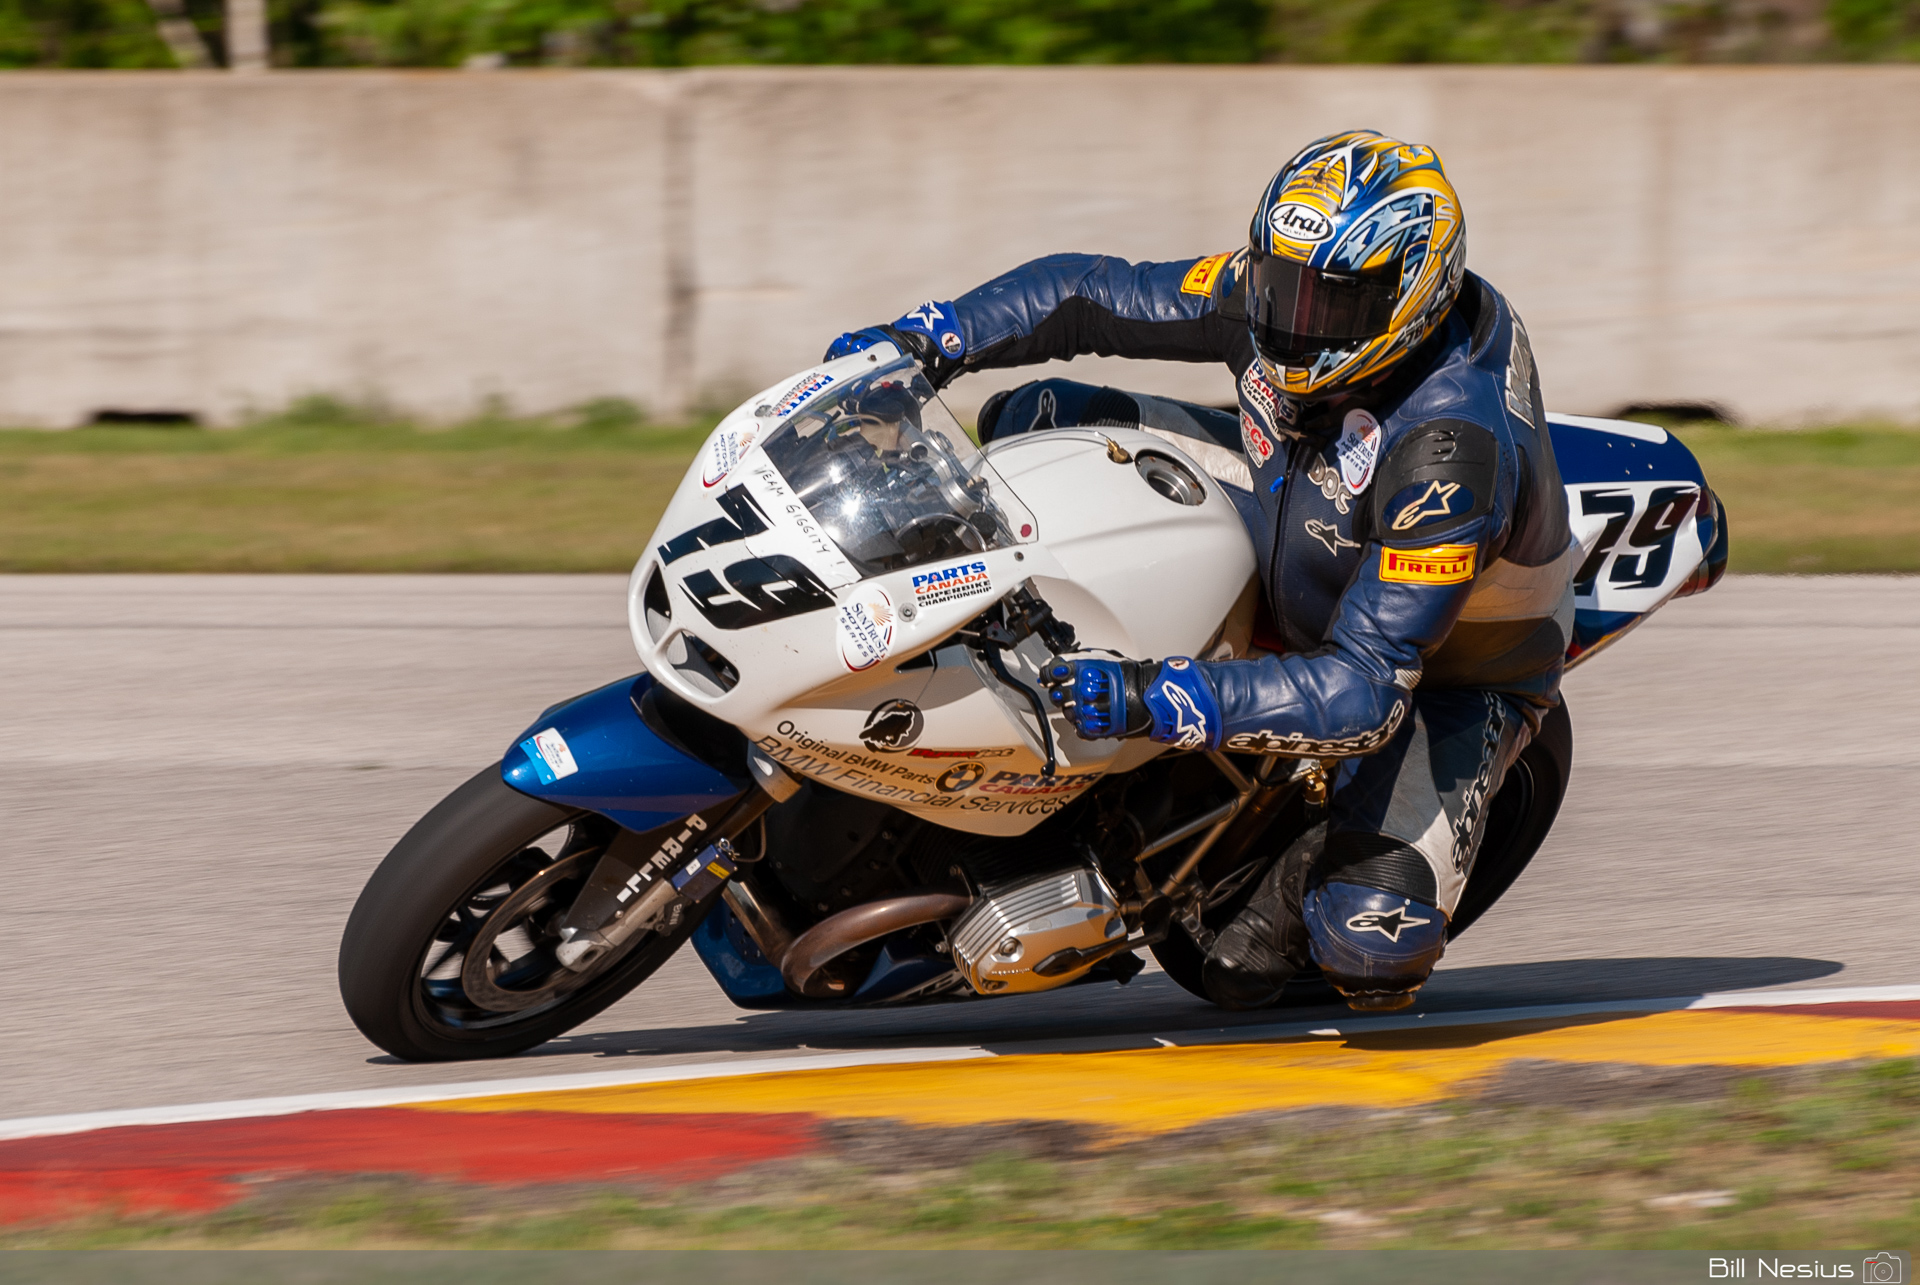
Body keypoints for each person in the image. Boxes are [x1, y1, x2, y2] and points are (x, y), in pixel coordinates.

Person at [824, 130, 1573, 1013]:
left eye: (1328, 303)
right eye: (1280, 283)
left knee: (1364, 945)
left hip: (1444, 667)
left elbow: (1367, 690)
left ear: (1412, 296)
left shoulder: (1448, 458)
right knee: (1038, 416)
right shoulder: (1269, 292)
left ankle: (1302, 848)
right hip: (1292, 493)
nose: (1290, 321)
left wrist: (1155, 695)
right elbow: (1086, 292)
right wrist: (925, 339)